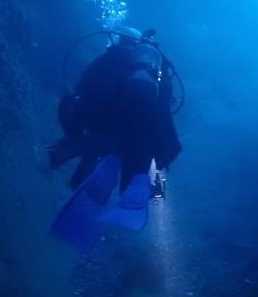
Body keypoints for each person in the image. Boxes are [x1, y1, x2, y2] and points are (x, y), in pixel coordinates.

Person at [49, 28, 182, 250]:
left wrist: (75, 121)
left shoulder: (114, 56)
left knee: (96, 148)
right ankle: (152, 187)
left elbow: (87, 87)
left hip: (107, 126)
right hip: (142, 136)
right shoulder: (158, 71)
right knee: (140, 164)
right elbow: (165, 111)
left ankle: (87, 163)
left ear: (120, 40)